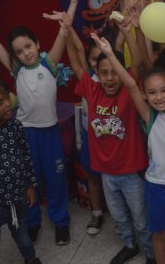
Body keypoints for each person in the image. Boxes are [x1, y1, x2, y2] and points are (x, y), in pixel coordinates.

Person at [89, 34, 165, 264]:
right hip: (158, 188)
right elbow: (130, 84)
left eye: (164, 90)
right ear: (144, 95)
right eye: (152, 92)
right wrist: (110, 54)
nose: (159, 97)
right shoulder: (149, 115)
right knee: (160, 234)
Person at [0, 0, 86, 246]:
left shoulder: (49, 63)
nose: (25, 53)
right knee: (29, 180)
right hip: (24, 133)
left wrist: (73, 2)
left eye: (28, 47)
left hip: (50, 132)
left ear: (37, 44)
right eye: (19, 52)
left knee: (55, 178)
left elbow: (64, 32)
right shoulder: (16, 69)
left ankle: (60, 222)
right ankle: (32, 222)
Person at [68, 16, 155, 264]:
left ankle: (151, 253)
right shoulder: (92, 90)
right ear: (96, 73)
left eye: (114, 72)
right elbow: (76, 64)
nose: (109, 78)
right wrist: (65, 32)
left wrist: (127, 32)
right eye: (103, 73)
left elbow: (136, 63)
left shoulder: (128, 91)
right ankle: (130, 245)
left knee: (141, 217)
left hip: (131, 172)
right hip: (107, 172)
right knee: (119, 215)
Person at [0, 78, 41, 264]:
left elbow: (26, 157)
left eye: (7, 98)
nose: (8, 104)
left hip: (18, 197)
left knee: (21, 232)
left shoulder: (15, 126)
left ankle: (31, 258)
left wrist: (30, 185)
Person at [70, 29, 104, 236]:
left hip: (110, 141)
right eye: (93, 59)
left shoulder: (115, 79)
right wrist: (66, 31)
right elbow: (76, 52)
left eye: (102, 57)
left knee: (112, 178)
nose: (97, 63)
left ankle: (122, 215)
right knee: (93, 176)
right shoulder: (87, 79)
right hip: (90, 138)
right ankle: (97, 212)